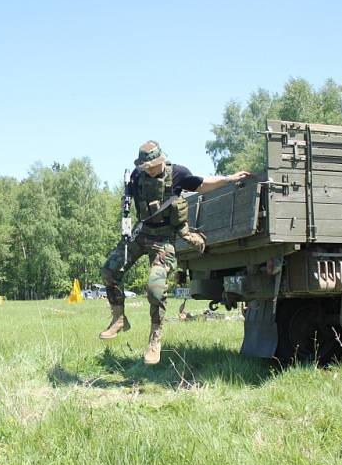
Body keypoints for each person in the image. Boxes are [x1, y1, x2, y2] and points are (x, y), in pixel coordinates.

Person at [99, 140, 249, 365]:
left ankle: (155, 338)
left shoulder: (178, 174)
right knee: (109, 271)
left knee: (155, 289)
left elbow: (203, 184)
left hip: (164, 240)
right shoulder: (137, 176)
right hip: (141, 234)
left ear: (159, 161)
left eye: (150, 166)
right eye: (144, 166)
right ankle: (119, 318)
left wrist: (228, 179)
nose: (147, 170)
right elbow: (128, 201)